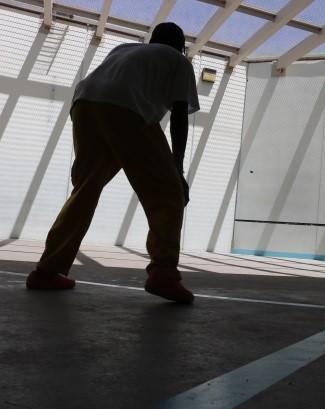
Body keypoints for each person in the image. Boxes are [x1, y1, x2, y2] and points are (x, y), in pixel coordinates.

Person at [25, 22, 199, 304]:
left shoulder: (125, 49)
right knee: (169, 195)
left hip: (85, 104)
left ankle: (47, 270)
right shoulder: (178, 60)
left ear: (151, 39)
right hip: (127, 107)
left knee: (85, 190)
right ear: (181, 47)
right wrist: (177, 170)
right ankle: (164, 274)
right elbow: (179, 114)